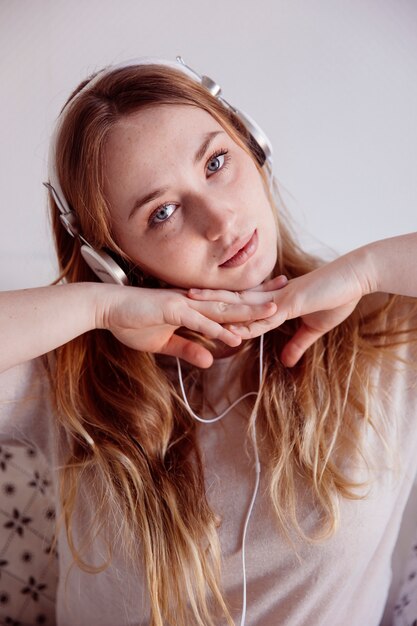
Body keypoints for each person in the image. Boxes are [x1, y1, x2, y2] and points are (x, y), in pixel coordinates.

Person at [0, 56, 416, 626]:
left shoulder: (380, 330)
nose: (219, 219)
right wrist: (101, 305)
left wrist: (369, 268)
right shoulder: (69, 377)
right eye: (163, 212)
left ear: (254, 147)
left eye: (217, 162)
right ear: (114, 262)